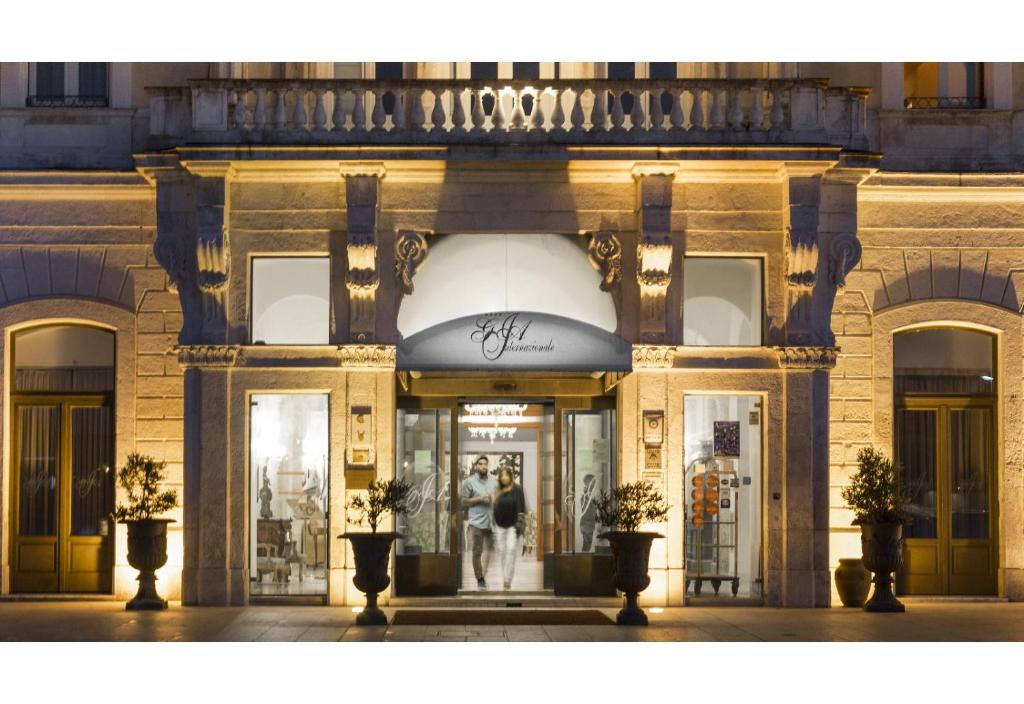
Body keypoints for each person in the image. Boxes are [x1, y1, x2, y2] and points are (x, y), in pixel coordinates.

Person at [461, 455, 496, 590]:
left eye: (485, 464)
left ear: (488, 466)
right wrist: (479, 498)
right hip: (476, 523)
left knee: (491, 553)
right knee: (477, 552)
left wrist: (495, 499)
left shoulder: (493, 481)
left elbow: (497, 498)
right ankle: (480, 578)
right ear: (476, 466)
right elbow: (463, 501)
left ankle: (483, 573)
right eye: (480, 464)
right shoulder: (469, 482)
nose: (483, 466)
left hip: (491, 522)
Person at [492, 466, 527, 591]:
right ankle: (505, 576)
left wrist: (521, 528)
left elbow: (522, 509)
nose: (504, 477)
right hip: (499, 527)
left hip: (513, 526)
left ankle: (507, 580)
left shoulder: (518, 490)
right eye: (502, 475)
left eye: (506, 475)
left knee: (511, 552)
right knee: (502, 553)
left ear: (511, 476)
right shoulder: (498, 490)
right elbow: (494, 507)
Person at [579, 473, 599, 552]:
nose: (594, 484)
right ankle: (583, 560)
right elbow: (588, 508)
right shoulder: (587, 495)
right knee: (587, 544)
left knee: (587, 544)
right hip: (587, 522)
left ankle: (583, 560)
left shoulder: (588, 494)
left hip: (588, 522)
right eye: (593, 482)